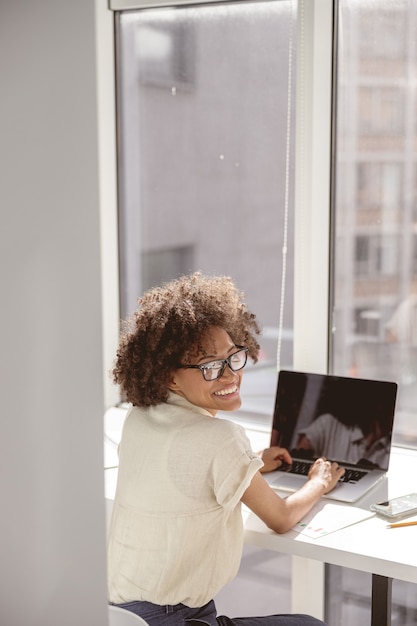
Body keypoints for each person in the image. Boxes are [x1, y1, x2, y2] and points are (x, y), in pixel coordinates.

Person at [107, 272, 345, 626]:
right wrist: (319, 482)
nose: (230, 375)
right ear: (169, 377)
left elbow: (180, 474)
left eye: (233, 357)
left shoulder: (138, 418)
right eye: (209, 367)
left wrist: (250, 464)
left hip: (116, 614)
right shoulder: (221, 439)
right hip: (174, 619)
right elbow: (280, 519)